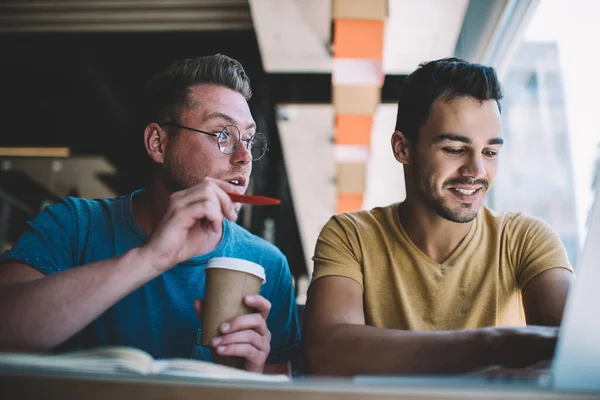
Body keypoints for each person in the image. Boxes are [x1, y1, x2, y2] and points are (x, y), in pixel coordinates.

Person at [0, 54, 300, 375]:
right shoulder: (74, 224)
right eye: (223, 134)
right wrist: (152, 257)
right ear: (158, 143)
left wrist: (249, 376)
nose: (244, 157)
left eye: (249, 139)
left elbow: (277, 386)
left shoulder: (267, 264)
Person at [303, 58, 574, 376]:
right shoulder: (351, 235)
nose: (476, 171)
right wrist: (494, 343)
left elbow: (574, 346)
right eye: (454, 149)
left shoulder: (525, 238)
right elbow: (328, 351)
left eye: (490, 152)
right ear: (403, 148)